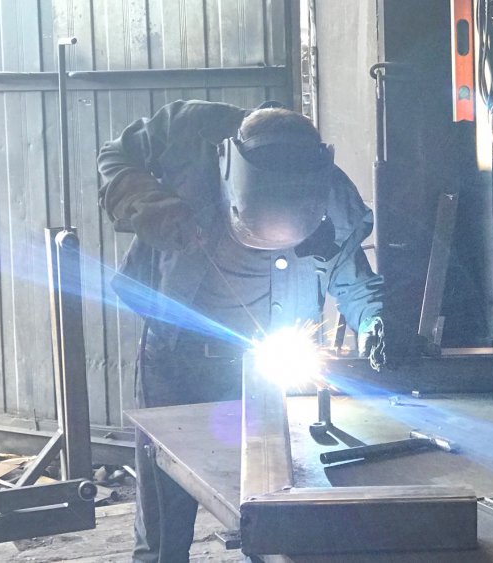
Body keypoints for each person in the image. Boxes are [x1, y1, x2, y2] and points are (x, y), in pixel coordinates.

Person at [97, 100, 385, 562]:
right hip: (175, 360)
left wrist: (374, 321)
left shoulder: (330, 195)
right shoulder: (188, 134)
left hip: (262, 370)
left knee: (272, 510)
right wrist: (148, 202)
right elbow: (114, 156)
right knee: (164, 522)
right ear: (232, 173)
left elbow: (352, 278)